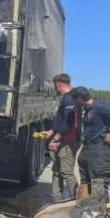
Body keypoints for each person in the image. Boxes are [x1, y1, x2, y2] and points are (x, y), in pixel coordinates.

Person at [71, 87, 110, 209]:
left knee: (100, 182)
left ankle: (105, 214)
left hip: (100, 150)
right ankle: (85, 212)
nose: (74, 103)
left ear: (80, 99)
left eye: (74, 100)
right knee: (85, 182)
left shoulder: (99, 107)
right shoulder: (86, 110)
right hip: (87, 149)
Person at [40, 73, 80, 201]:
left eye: (55, 86)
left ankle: (76, 201)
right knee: (57, 170)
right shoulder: (70, 97)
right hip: (64, 138)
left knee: (66, 172)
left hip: (69, 140)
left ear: (59, 84)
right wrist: (52, 131)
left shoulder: (69, 98)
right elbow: (63, 121)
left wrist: (56, 138)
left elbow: (69, 122)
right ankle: (56, 199)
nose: (55, 89)